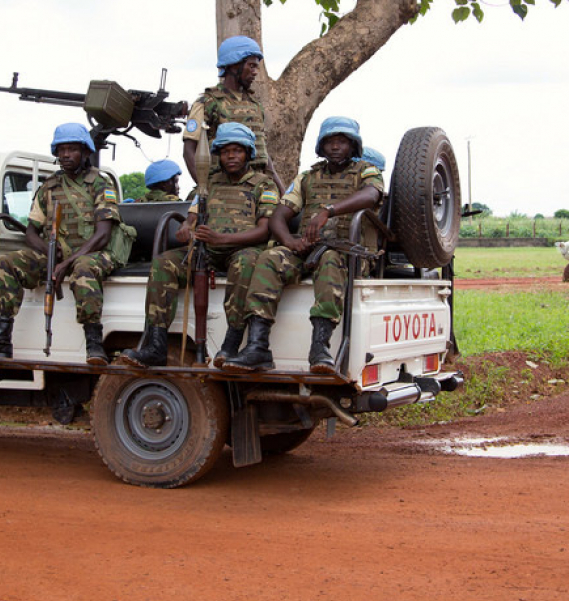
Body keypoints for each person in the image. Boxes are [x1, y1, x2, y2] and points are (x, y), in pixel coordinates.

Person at [223, 116, 383, 374]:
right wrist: (289, 241)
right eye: (330, 141)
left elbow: (371, 194)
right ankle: (257, 347)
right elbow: (279, 214)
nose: (335, 147)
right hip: (308, 249)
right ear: (321, 146)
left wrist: (328, 211)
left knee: (330, 259)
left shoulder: (366, 171)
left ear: (353, 146)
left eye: (342, 141)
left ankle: (320, 348)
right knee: (269, 258)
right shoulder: (308, 177)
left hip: (346, 253)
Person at [119, 123, 279, 368]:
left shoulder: (263, 185)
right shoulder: (209, 182)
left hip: (242, 250)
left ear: (248, 153)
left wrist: (221, 239)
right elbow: (193, 213)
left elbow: (264, 230)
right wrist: (187, 227)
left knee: (245, 263)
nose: (231, 156)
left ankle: (231, 344)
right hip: (207, 249)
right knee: (163, 263)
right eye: (226, 152)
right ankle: (155, 345)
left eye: (237, 151)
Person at [0, 123, 121, 362]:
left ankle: (94, 344)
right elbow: (31, 231)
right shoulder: (48, 187)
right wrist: (45, 248)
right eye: (61, 150)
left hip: (94, 252)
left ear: (86, 152)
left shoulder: (100, 184)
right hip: (57, 254)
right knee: (7, 263)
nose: (65, 155)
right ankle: (1, 338)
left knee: (83, 269)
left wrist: (66, 262)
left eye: (72, 149)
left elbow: (103, 235)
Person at [183, 35, 285, 193]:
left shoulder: (255, 105)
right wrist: (205, 191)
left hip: (259, 189)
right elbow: (189, 150)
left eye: (256, 67)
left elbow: (263, 156)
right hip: (223, 188)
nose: (255, 72)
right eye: (251, 66)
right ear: (233, 65)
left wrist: (283, 194)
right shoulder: (208, 103)